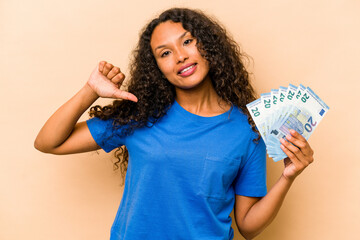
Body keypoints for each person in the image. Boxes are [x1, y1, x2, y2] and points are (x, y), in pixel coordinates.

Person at [34, 8, 314, 240]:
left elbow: (248, 226)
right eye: (164, 53)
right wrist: (89, 91)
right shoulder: (140, 115)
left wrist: (288, 176)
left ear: (209, 46)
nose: (180, 56)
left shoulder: (246, 131)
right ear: (157, 68)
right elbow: (48, 142)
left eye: (187, 41)